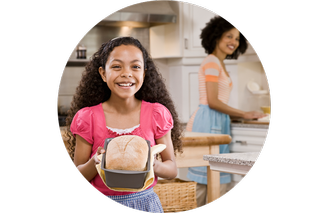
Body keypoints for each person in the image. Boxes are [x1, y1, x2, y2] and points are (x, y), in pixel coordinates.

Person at [64, 37, 183, 213]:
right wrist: (95, 162)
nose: (126, 73)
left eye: (135, 66)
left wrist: (152, 164)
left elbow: (172, 169)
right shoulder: (87, 117)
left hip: (146, 204)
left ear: (143, 73)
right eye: (116, 66)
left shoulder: (157, 114)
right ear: (103, 74)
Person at [186, 16, 266, 207]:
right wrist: (244, 114)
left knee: (214, 179)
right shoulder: (212, 62)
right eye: (229, 36)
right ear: (216, 37)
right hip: (207, 121)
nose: (233, 42)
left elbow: (218, 102)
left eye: (237, 38)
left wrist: (239, 114)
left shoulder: (218, 63)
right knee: (204, 182)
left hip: (217, 121)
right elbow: (213, 101)